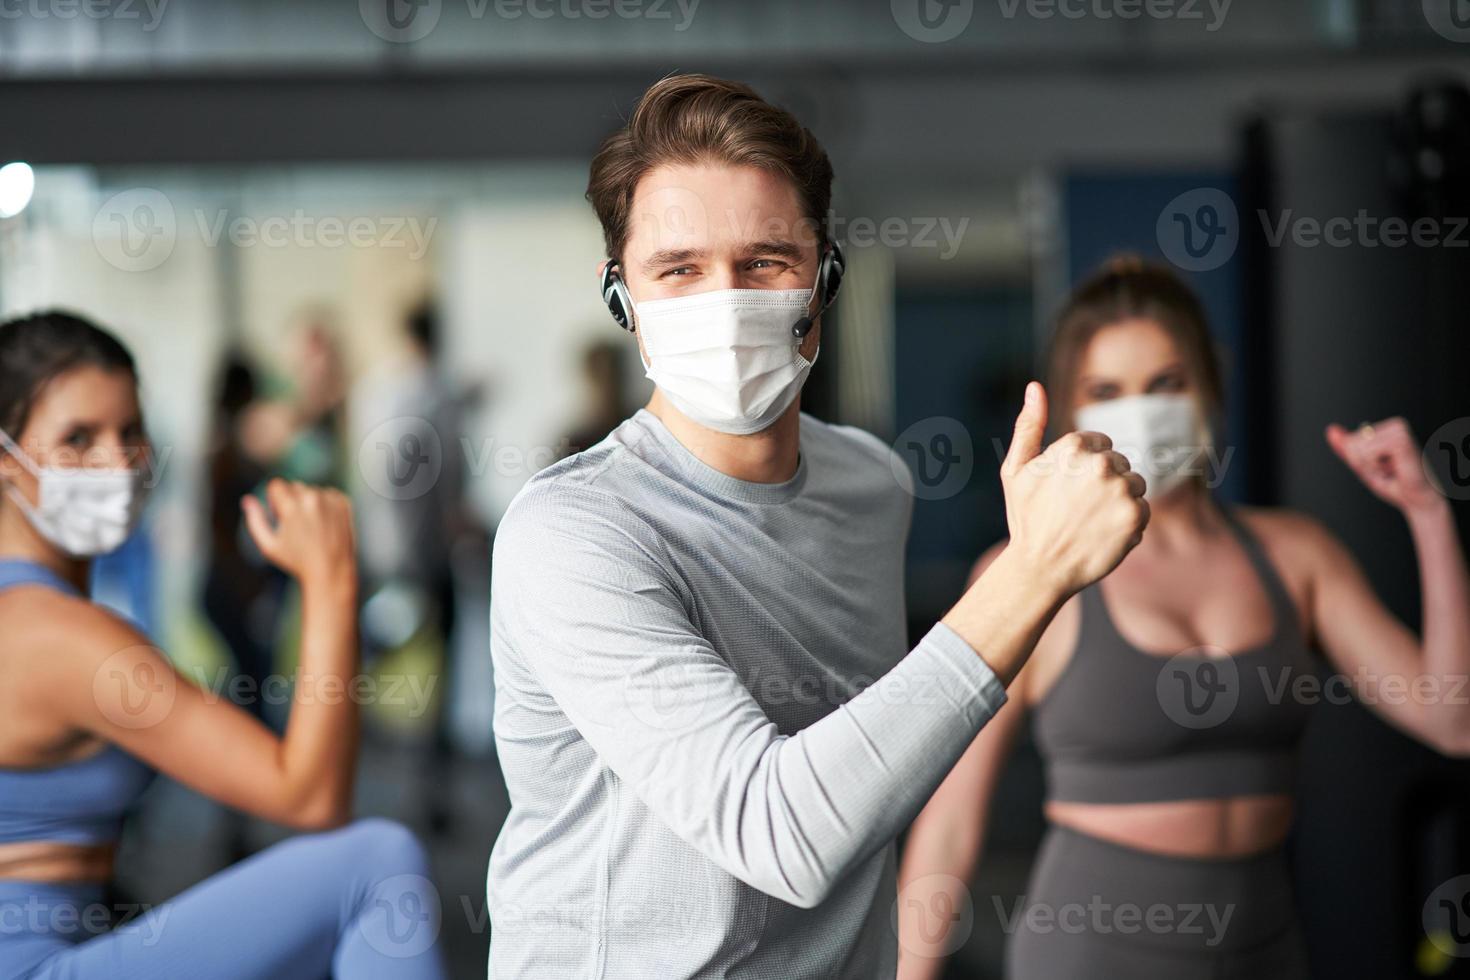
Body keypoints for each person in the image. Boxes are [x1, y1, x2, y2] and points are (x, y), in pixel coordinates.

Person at [485, 74, 1149, 979]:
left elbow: (879, 764)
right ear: (621, 300)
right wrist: (1031, 575)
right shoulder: (572, 536)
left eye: (765, 261)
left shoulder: (873, 485)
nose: (724, 302)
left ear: (823, 279)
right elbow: (778, 833)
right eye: (678, 270)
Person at [896, 258, 1470, 979]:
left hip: (1267, 951)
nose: (1139, 409)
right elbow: (948, 826)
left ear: (1207, 384)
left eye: (1164, 382)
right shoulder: (1028, 574)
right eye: (1107, 390)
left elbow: (1452, 720)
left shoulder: (1295, 556)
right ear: (1073, 411)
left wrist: (1429, 514)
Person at [0, 311, 446, 979]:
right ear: (8, 463)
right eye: (77, 439)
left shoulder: (37, 615)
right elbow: (312, 799)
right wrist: (331, 577)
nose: (115, 462)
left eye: (130, 432)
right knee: (378, 864)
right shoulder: (58, 635)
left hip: (72, 938)